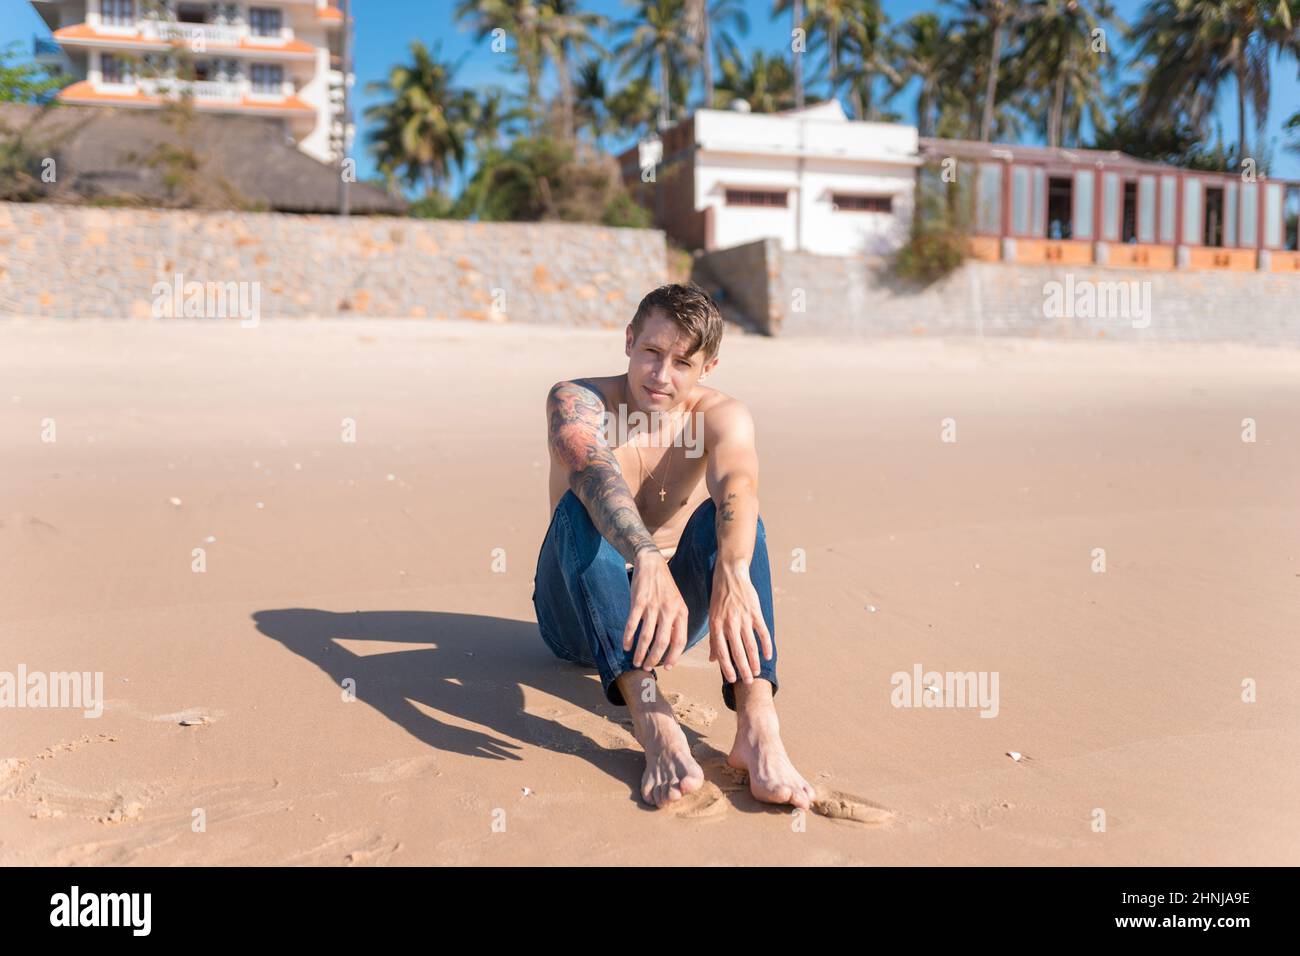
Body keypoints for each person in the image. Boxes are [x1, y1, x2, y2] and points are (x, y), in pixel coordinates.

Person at [532, 282, 815, 810]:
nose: (661, 376)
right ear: (629, 341)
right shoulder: (576, 399)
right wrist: (643, 557)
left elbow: (738, 485)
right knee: (579, 507)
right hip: (575, 616)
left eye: (682, 362)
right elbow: (591, 467)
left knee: (737, 523)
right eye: (651, 353)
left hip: (669, 620)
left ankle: (757, 723)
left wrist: (731, 570)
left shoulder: (722, 415)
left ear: (707, 367)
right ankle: (654, 720)